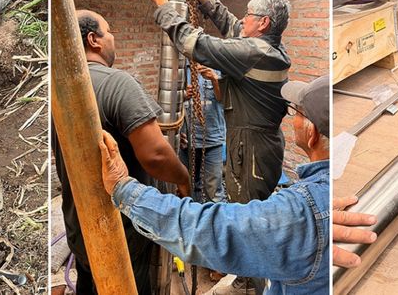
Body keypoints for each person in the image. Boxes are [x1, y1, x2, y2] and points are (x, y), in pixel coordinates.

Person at [99, 77, 378, 294]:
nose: (290, 117)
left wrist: (124, 189)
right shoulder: (330, 195)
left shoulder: (301, 213)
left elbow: (210, 229)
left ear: (311, 132)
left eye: (296, 112)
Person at [149, 0, 291, 293]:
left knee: (250, 219)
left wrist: (164, 8)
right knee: (249, 213)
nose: (243, 19)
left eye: (249, 15)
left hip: (251, 149)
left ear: (263, 23)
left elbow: (199, 45)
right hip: (255, 143)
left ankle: (255, 285)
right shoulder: (266, 48)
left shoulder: (255, 52)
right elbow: (233, 29)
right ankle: (248, 277)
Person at [52, 10, 190, 294]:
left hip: (79, 227)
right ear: (94, 40)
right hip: (122, 230)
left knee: (89, 285)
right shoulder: (117, 83)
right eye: (109, 31)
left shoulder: (56, 86)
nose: (113, 38)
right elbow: (156, 156)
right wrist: (184, 179)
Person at [181, 63, 227, 203]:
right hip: (187, 140)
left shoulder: (218, 67)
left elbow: (223, 99)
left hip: (212, 138)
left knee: (214, 190)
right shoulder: (181, 70)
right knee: (189, 187)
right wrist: (182, 95)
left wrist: (214, 79)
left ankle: (216, 222)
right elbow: (170, 102)